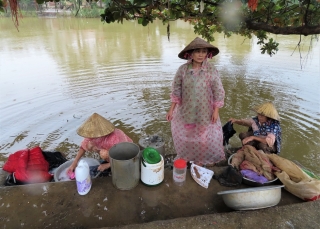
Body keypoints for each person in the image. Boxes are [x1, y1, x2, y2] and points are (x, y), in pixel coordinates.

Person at [166, 37, 226, 166]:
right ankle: (187, 156)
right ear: (191, 53)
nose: (200, 55)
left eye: (203, 51)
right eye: (197, 51)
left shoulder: (211, 70)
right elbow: (176, 90)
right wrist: (171, 109)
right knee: (186, 135)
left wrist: (216, 111)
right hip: (186, 110)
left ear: (207, 54)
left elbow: (218, 91)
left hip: (205, 111)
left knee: (203, 138)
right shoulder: (183, 70)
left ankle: (201, 160)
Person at [67, 113, 133, 173]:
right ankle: (110, 162)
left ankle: (111, 164)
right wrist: (74, 163)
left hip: (125, 154)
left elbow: (125, 156)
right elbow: (82, 147)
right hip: (110, 151)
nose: (91, 137)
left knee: (103, 153)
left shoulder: (115, 138)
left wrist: (107, 165)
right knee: (93, 147)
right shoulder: (92, 136)